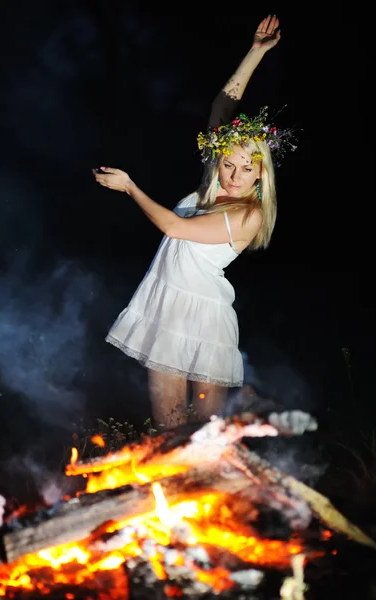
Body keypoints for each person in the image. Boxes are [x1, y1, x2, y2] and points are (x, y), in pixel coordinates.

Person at [94, 15, 296, 429]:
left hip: (205, 319)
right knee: (168, 428)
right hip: (167, 307)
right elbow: (223, 103)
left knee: (205, 436)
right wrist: (256, 51)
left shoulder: (249, 214)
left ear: (261, 175)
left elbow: (174, 227)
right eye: (228, 163)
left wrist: (131, 187)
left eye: (247, 168)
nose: (236, 175)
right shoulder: (212, 186)